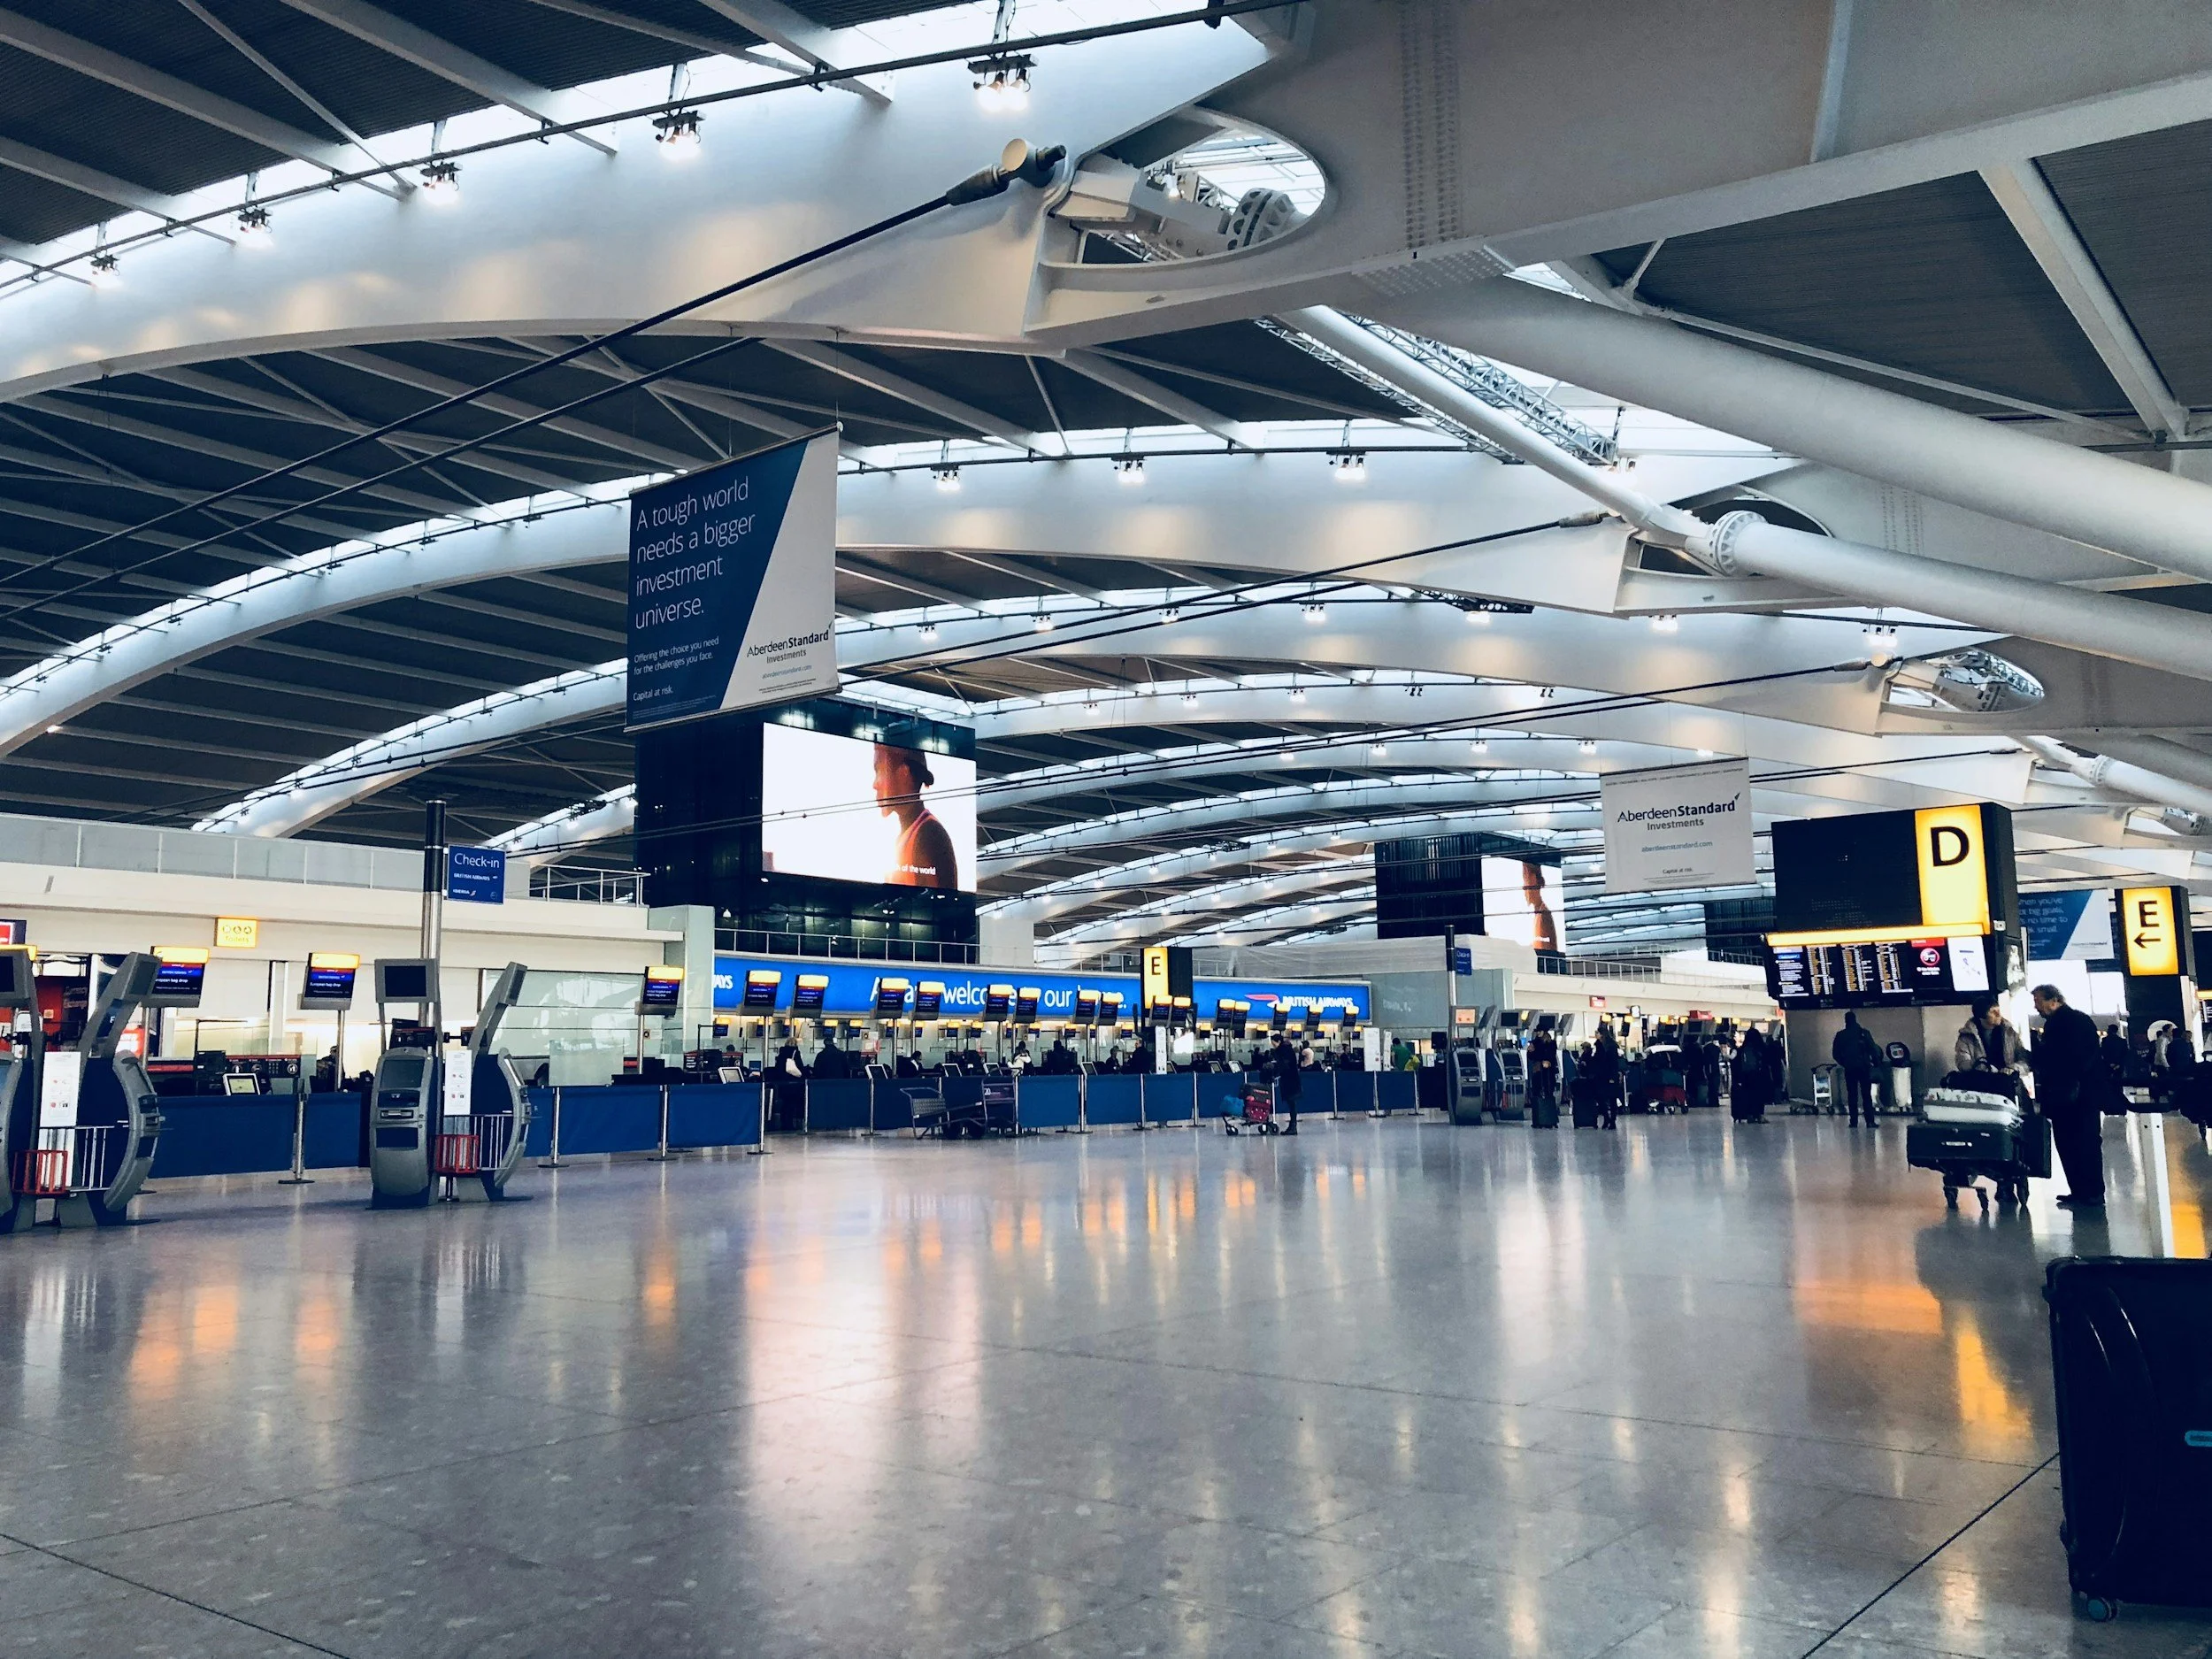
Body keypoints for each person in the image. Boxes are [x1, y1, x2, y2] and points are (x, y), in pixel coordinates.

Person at [2032, 984, 2105, 1210]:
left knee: (2079, 1142)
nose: (2036, 1007)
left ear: (2053, 1000)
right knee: (2077, 1143)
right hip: (2075, 1094)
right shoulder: (2071, 1022)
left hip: (2074, 1094)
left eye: (2039, 1001)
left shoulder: (2069, 1023)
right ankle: (2083, 1191)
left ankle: (2089, 1193)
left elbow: (2071, 1059)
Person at [873, 742, 958, 888]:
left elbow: (937, 906)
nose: (875, 784)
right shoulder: (909, 835)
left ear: (903, 773)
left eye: (879, 771)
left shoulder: (929, 835)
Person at [1832, 1011, 1882, 1126]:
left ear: (1846, 1021)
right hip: (1864, 1067)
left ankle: (1853, 1121)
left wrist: (1844, 1063)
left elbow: (1835, 1053)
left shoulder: (1841, 1035)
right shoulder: (1863, 1033)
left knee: (1852, 1095)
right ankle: (1870, 1121)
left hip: (1849, 1069)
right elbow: (1873, 1050)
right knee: (1866, 1095)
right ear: (1855, 1019)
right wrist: (1876, 1064)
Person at [1951, 1000, 2022, 1079]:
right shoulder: (1967, 1036)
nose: (1998, 1014)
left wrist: (2012, 1069)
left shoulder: (2010, 1033)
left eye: (1998, 1011)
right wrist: (1982, 1066)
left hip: (2009, 1083)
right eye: (1993, 1012)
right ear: (1981, 1017)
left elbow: (2024, 1059)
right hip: (1981, 1084)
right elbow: (1962, 1063)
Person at [1731, 1027, 1771, 1125]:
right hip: (1759, 1076)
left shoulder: (1742, 1049)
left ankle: (1749, 1115)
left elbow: (1737, 1065)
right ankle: (1759, 1115)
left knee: (1748, 1096)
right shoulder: (1761, 1048)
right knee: (1759, 1096)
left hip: (1746, 1077)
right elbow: (1766, 1062)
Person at [1588, 1024, 1623, 1129]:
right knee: (1601, 1097)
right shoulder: (1598, 1045)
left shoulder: (1610, 1047)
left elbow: (1613, 1062)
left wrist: (1613, 1076)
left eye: (1597, 1033)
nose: (1596, 1035)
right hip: (1601, 1075)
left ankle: (1612, 1120)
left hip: (1609, 1075)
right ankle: (1607, 1118)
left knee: (1611, 1098)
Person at [1271, 1032, 1302, 1134]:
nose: (1273, 1045)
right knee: (1292, 1103)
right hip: (1292, 1079)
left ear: (1279, 1041)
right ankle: (1292, 1126)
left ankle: (1293, 1127)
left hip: (1289, 1080)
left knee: (1291, 1103)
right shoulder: (1287, 1049)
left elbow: (1283, 1064)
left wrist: (1275, 1072)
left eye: (1274, 1043)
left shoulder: (1283, 1051)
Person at [1526, 1025, 1560, 1118]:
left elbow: (1551, 1056)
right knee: (1537, 1092)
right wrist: (1531, 1052)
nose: (1538, 1033)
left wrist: (1538, 1056)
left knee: (1549, 1091)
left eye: (1539, 1031)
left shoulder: (1551, 1043)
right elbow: (1532, 1057)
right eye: (1537, 1031)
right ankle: (1539, 1117)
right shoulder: (1534, 1043)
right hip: (1538, 1070)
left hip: (1548, 1072)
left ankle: (1550, 1116)